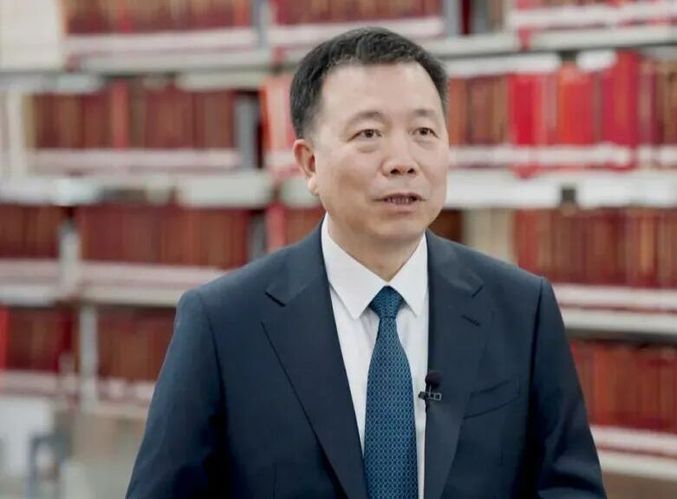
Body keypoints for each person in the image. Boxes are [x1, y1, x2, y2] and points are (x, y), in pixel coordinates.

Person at [126, 27, 606, 499]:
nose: (402, 161)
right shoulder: (224, 324)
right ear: (310, 164)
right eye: (369, 134)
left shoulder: (522, 309)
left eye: (423, 132)